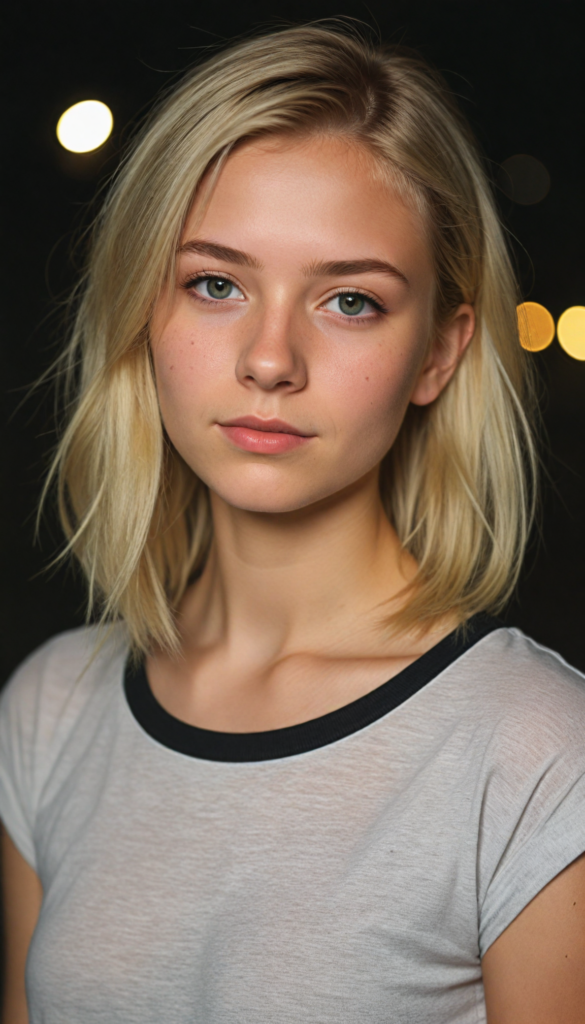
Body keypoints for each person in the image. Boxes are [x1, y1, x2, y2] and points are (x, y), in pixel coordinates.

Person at [1, 23, 584, 1024]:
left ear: (439, 355)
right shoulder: (53, 708)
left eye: (350, 300)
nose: (271, 359)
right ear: (146, 308)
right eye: (216, 283)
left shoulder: (537, 751)